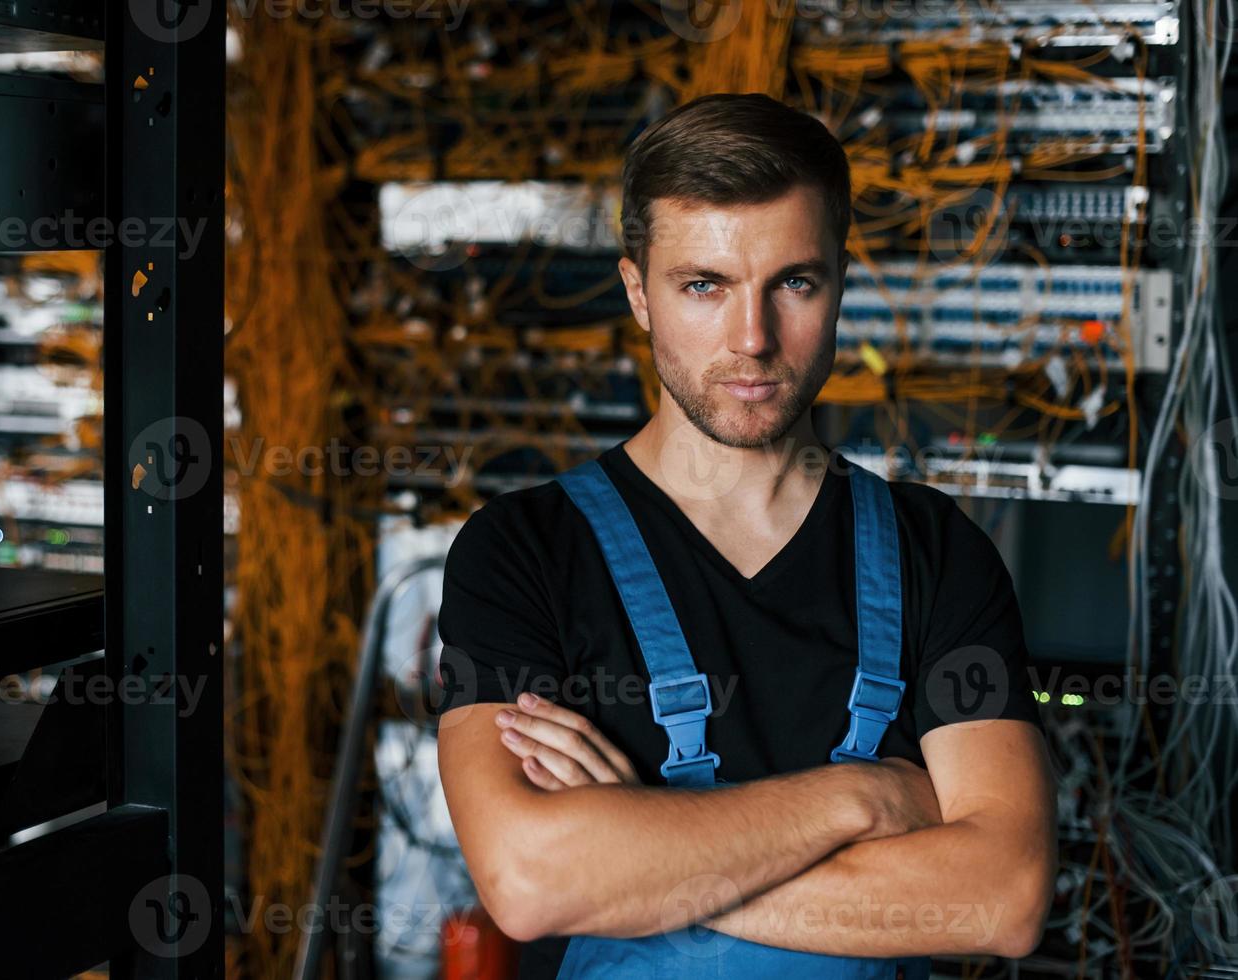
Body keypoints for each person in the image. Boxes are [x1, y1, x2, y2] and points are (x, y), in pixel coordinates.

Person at [434, 92, 1057, 979]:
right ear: (637, 294)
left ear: (839, 280)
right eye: (704, 286)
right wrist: (864, 796)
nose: (753, 339)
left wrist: (641, 853)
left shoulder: (937, 552)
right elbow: (532, 881)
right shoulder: (522, 552)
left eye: (793, 283)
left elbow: (1003, 896)